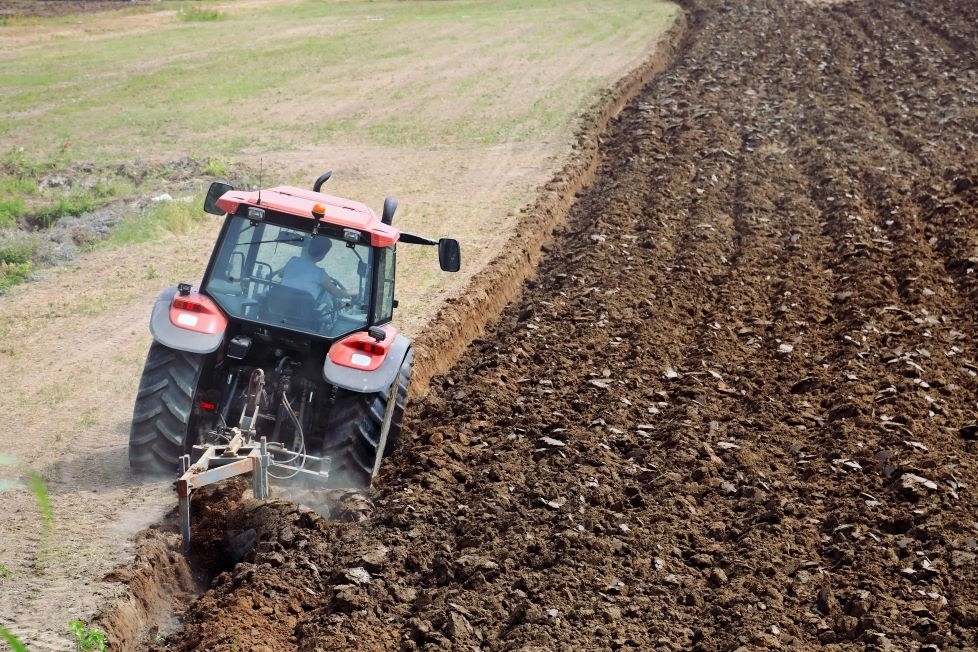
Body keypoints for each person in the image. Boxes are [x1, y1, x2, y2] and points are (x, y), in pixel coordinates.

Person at [278, 236, 350, 300]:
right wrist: (353, 292)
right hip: (301, 314)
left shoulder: (293, 261)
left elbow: (280, 274)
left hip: (277, 308)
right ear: (322, 256)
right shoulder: (320, 274)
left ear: (308, 247)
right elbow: (337, 293)